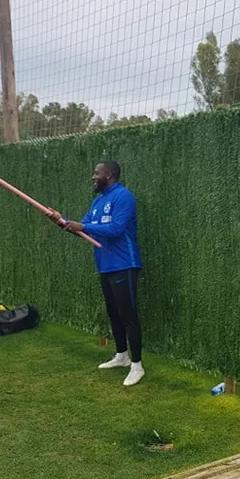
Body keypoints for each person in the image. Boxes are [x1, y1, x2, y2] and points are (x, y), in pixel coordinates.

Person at [48, 160, 144, 386]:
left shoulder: (124, 197)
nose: (93, 177)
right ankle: (121, 356)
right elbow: (82, 229)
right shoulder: (98, 201)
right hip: (105, 265)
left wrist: (84, 227)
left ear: (109, 174)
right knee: (113, 313)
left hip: (124, 264)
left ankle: (137, 365)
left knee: (128, 315)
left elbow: (116, 229)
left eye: (96, 173)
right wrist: (60, 221)